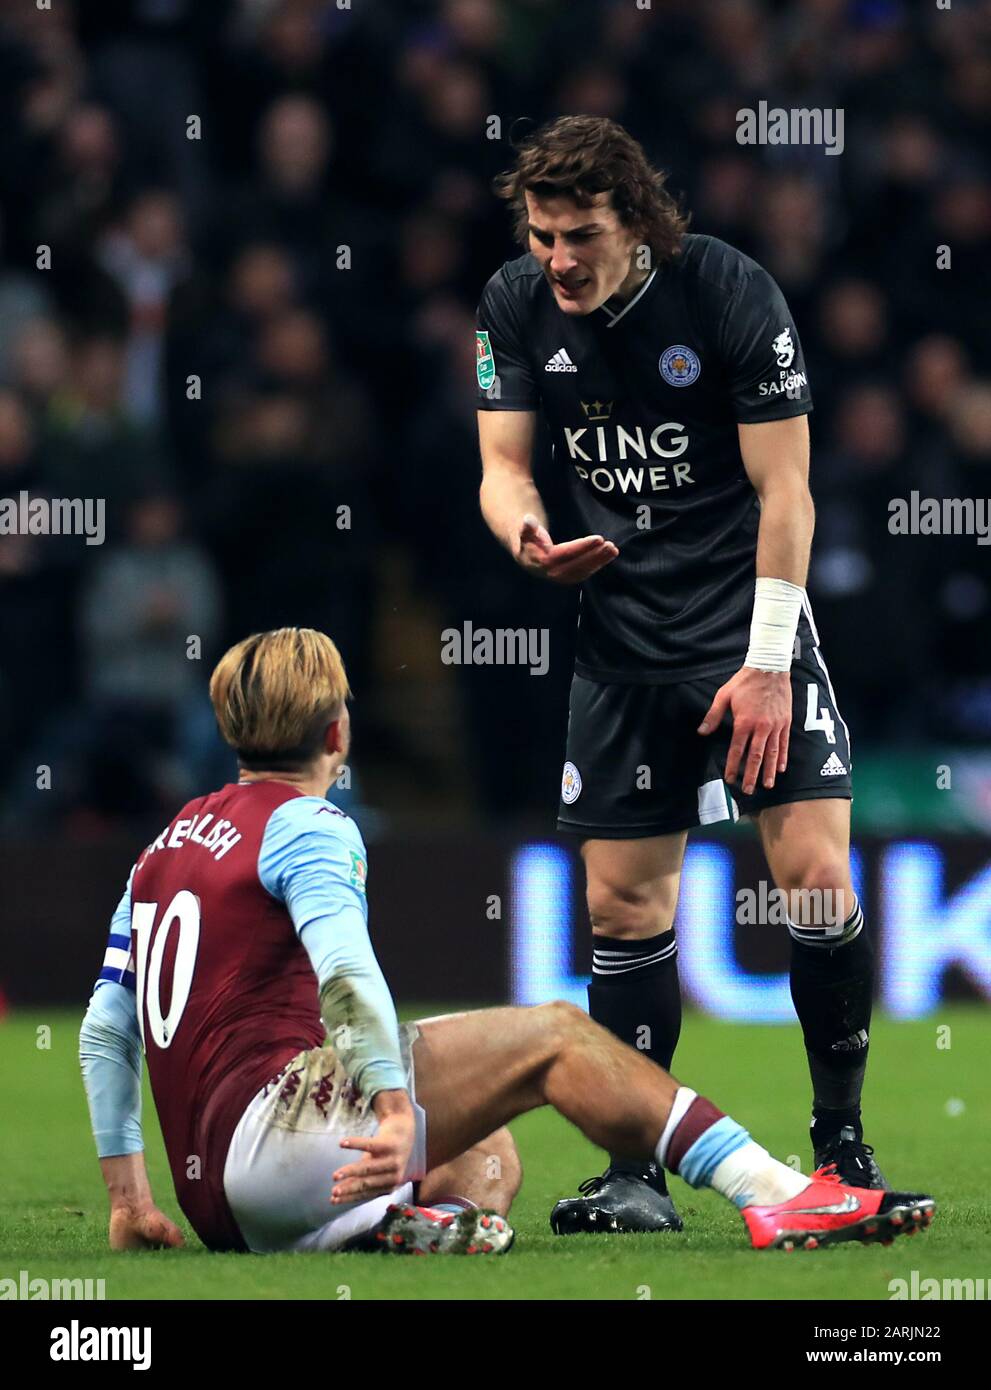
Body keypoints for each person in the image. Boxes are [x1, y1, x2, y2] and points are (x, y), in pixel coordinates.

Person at [78, 627, 934, 1256]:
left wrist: (129, 1200)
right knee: (557, 1035)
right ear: (338, 731)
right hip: (281, 1138)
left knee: (485, 1152)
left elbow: (105, 1029)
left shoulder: (170, 839)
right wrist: (386, 1103)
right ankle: (777, 1190)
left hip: (219, 1198)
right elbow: (344, 973)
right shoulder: (309, 825)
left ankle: (378, 1234)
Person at [476, 115, 880, 1235]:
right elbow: (502, 467)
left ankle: (843, 1147)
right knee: (619, 903)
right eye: (542, 233)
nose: (556, 257)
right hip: (619, 642)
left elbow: (787, 493)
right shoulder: (511, 303)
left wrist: (764, 666)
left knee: (811, 876)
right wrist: (527, 538)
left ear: (636, 222)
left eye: (579, 235)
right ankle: (634, 1176)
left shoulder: (728, 294)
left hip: (747, 626)